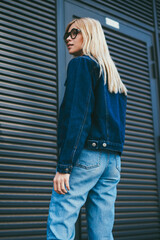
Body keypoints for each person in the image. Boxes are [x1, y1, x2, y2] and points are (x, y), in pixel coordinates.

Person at [47, 17, 127, 240]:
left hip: (87, 156)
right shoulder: (114, 78)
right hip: (112, 163)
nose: (68, 39)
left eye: (75, 33)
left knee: (61, 221)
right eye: (67, 35)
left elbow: (78, 117)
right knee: (102, 231)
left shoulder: (81, 64)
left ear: (90, 35)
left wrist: (64, 166)